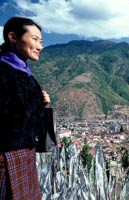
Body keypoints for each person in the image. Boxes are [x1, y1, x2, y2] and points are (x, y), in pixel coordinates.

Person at [0, 17, 50, 199]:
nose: (40, 46)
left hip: (25, 155)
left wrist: (42, 103)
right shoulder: (4, 71)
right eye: (35, 39)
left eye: (41, 41)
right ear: (13, 37)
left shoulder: (25, 73)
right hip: (6, 158)